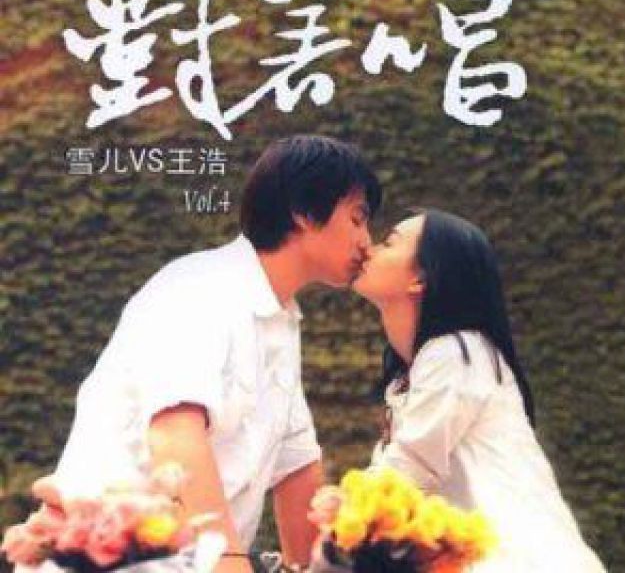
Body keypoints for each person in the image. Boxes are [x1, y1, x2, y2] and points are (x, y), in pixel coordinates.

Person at [11, 135, 381, 573]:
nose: (367, 241)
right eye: (357, 218)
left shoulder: (281, 320)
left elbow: (297, 467)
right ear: (303, 211)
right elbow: (174, 436)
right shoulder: (200, 289)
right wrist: (231, 567)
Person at [351, 208, 605, 572]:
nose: (370, 249)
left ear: (420, 279)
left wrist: (337, 526)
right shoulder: (414, 375)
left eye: (389, 242)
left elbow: (408, 468)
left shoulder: (457, 352)